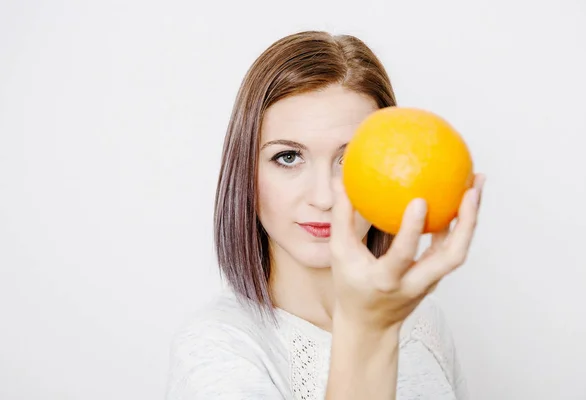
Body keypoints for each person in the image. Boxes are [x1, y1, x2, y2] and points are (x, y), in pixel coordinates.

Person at [165, 30, 485, 399]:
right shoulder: (216, 349)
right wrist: (370, 332)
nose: (323, 197)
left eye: (350, 161)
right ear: (246, 172)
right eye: (288, 157)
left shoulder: (426, 321)